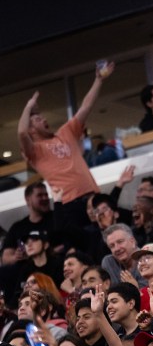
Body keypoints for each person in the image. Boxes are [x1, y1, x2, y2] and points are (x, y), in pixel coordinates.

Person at [17, 63, 115, 227]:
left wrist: (98, 80)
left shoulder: (65, 132)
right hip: (70, 202)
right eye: (38, 120)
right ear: (31, 130)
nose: (44, 119)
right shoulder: (34, 150)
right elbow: (21, 133)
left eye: (43, 118)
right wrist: (28, 107)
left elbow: (86, 107)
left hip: (93, 196)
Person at [1, 182, 53, 265]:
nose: (45, 198)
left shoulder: (56, 219)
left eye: (46, 195)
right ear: (28, 199)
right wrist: (16, 257)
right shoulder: (17, 227)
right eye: (40, 195)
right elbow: (5, 258)